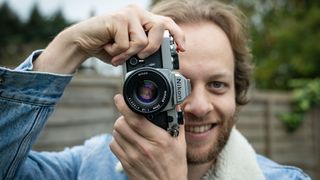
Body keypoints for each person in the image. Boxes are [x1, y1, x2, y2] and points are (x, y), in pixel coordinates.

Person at [0, 0, 311, 179]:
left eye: (217, 84)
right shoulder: (87, 166)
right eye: (177, 83)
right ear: (139, 87)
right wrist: (69, 47)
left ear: (237, 93)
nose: (199, 106)